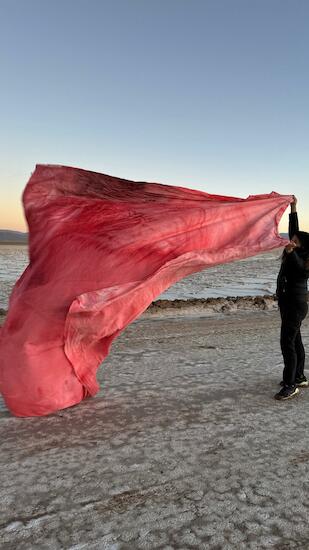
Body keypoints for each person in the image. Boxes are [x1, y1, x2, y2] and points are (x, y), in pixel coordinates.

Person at [275, 196, 309, 400]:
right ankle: (300, 376)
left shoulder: (304, 259)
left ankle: (290, 384)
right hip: (288, 302)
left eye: (295, 241)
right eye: (292, 239)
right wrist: (293, 207)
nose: (291, 241)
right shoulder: (296, 249)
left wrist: (291, 251)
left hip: (296, 304)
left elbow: (299, 271)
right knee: (295, 340)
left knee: (287, 342)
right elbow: (293, 229)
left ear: (303, 245)